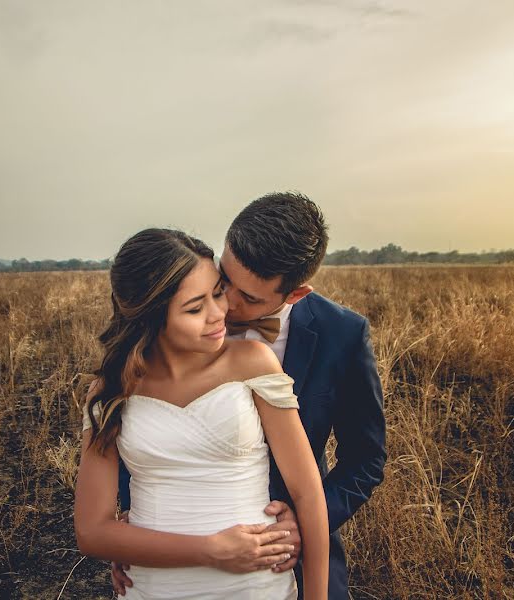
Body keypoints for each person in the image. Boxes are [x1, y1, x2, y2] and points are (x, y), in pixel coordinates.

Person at [112, 193, 386, 599]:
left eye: (251, 298)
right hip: (171, 546)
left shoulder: (342, 334)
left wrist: (305, 521)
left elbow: (366, 458)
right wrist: (131, 520)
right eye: (226, 281)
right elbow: (140, 417)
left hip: (292, 547)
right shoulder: (180, 309)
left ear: (295, 294)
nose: (227, 307)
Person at [74, 228, 330, 599]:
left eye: (216, 293)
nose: (219, 313)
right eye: (195, 308)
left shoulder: (252, 362)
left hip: (257, 584)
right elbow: (92, 532)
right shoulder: (110, 391)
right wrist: (210, 550)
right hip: (155, 587)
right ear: (149, 316)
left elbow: (307, 493)